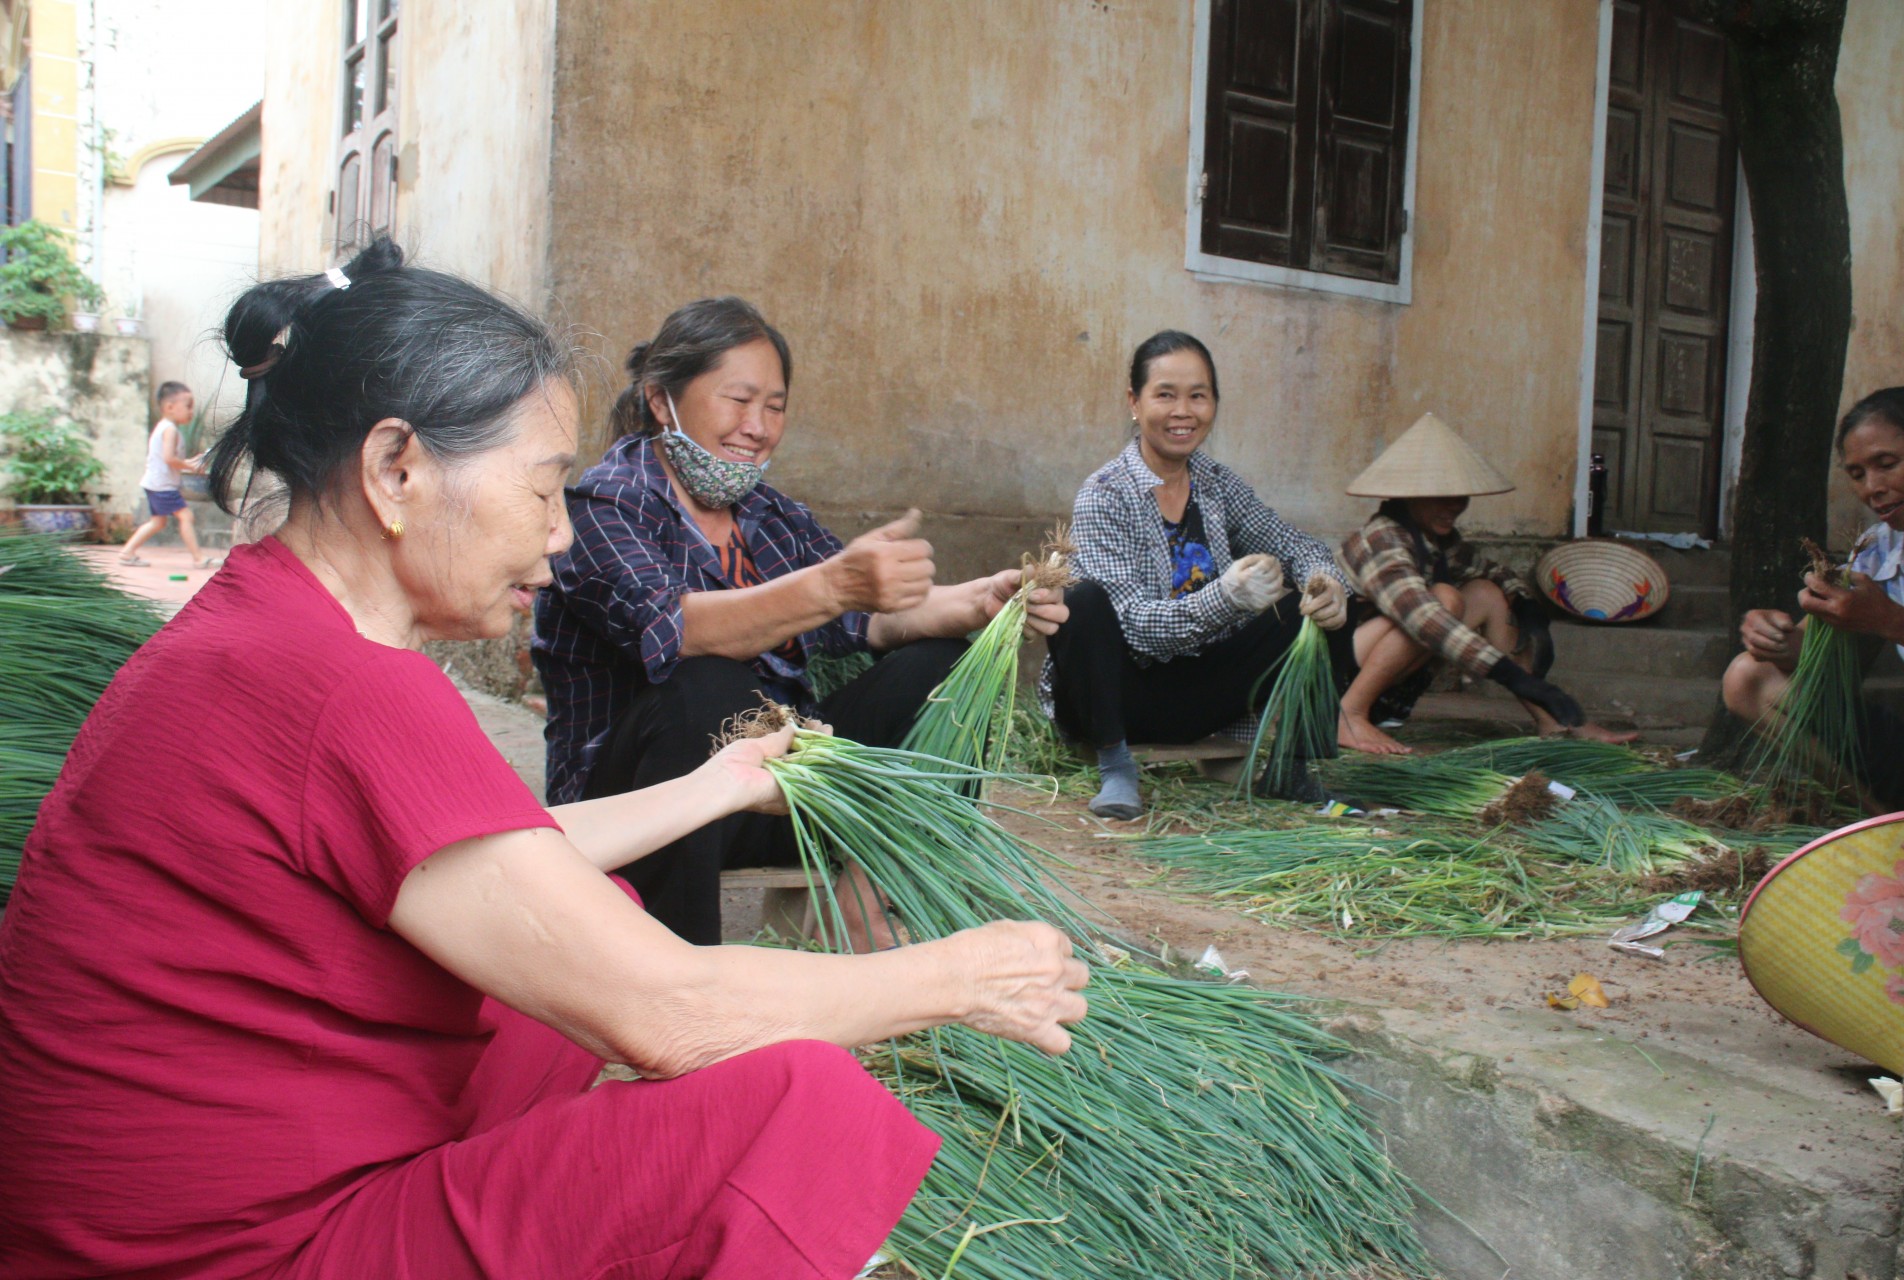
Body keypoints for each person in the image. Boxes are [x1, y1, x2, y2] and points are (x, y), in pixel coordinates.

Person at [0, 241, 1089, 1280]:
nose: (561, 533)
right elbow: (673, 1011)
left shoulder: (267, 628)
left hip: (146, 1221)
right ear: (396, 468)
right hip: (231, 1251)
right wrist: (956, 979)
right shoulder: (341, 687)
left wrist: (719, 783)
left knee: (574, 923)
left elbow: (476, 858)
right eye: (540, 489)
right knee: (786, 1100)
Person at [533, 297, 1066, 945]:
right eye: (738, 400)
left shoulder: (771, 516)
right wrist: (832, 584)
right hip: (638, 811)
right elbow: (678, 631)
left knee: (942, 668)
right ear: (659, 400)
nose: (757, 426)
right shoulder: (603, 507)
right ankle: (681, 966)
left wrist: (983, 602)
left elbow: (870, 625)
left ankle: (864, 901)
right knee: (706, 686)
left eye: (776, 406)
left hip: (772, 791)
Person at [1040, 330, 1352, 821]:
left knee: (1319, 607)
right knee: (1082, 603)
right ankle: (1117, 768)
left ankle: (1290, 769)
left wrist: (1324, 578)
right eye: (1165, 394)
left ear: (1213, 404)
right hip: (1118, 697)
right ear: (1135, 403)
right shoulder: (1104, 493)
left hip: (1199, 694)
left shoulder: (1217, 484)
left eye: (1198, 396)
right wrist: (1225, 598)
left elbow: (1294, 543)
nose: (1182, 411)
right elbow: (1134, 627)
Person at [1336, 412, 1634, 754]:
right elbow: (1424, 619)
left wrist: (1529, 609)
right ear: (1410, 496)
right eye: (1442, 497)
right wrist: (1511, 674)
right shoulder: (1382, 539)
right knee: (1445, 601)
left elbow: (1493, 573)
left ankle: (1552, 721)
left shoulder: (1437, 541)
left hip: (1389, 676)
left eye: (1460, 496)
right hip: (1336, 674)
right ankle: (1350, 714)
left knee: (1486, 594)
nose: (1454, 507)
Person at [1723, 386, 1904, 811]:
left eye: (1887, 465)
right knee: (1749, 677)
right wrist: (1776, 640)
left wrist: (1889, 620)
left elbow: (1887, 620)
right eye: (1857, 474)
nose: (1873, 488)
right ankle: (1892, 835)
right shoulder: (1879, 549)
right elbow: (1803, 654)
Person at [117, 380, 219, 568]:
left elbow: (170, 460)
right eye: (188, 406)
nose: (191, 411)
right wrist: (190, 466)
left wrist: (189, 463)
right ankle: (198, 558)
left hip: (157, 483)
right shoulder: (169, 430)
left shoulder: (167, 428)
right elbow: (169, 459)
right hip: (162, 485)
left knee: (157, 522)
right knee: (186, 516)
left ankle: (126, 553)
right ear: (170, 407)